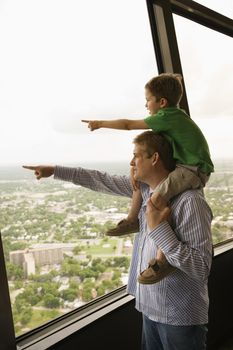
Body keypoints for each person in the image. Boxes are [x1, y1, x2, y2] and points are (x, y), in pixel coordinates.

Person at [23, 130, 213, 350]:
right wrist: (55, 170)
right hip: (150, 309)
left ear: (155, 158)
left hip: (180, 317)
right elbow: (99, 179)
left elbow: (201, 267)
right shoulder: (143, 190)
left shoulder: (190, 202)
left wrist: (159, 228)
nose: (132, 162)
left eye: (137, 156)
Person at [82, 73, 214, 284]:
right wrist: (134, 167)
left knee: (155, 203)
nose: (146, 105)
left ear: (162, 102)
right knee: (144, 187)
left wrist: (99, 123)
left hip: (192, 170)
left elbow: (127, 124)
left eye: (148, 101)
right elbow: (153, 147)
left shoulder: (166, 117)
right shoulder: (175, 119)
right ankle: (133, 220)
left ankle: (163, 260)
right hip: (188, 165)